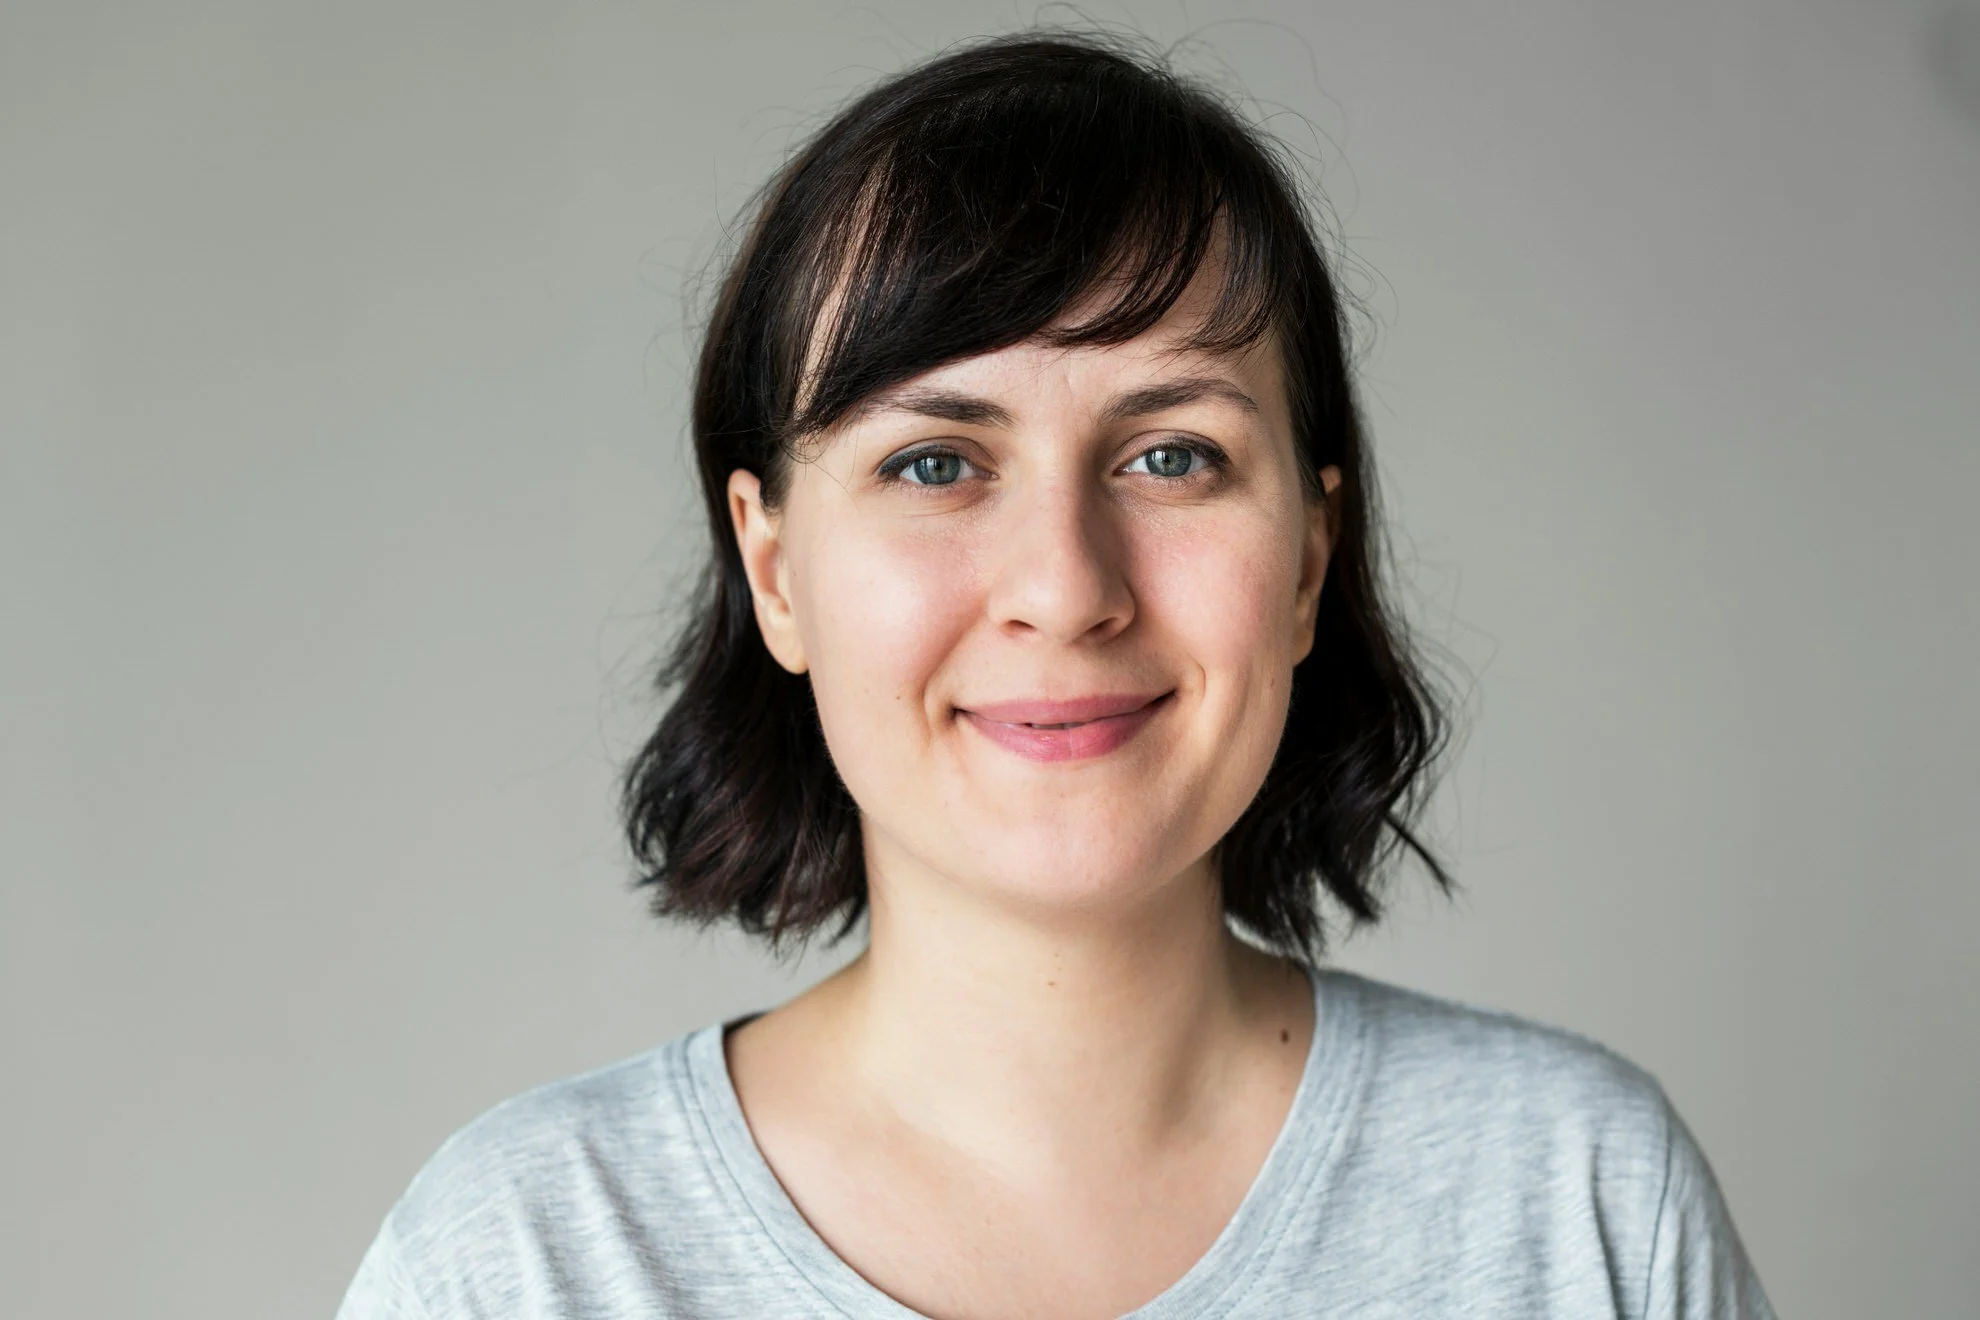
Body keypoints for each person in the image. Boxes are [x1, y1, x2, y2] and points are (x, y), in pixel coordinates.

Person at [336, 31, 1775, 1320]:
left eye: (1171, 455)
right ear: (775, 572)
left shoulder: (1580, 1208)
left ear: (1311, 560)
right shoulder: (519, 1265)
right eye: (935, 463)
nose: (1067, 587)